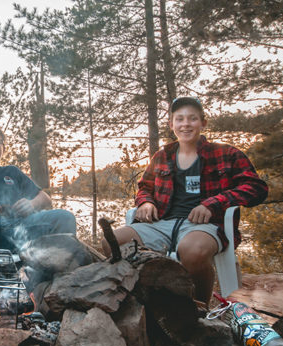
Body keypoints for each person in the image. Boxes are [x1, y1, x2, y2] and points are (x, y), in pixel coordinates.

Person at [103, 97, 268, 303]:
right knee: (113, 242)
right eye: (179, 119)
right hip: (161, 223)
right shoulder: (163, 155)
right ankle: (144, 301)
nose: (186, 124)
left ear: (203, 123)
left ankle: (199, 309)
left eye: (192, 118)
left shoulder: (227, 153)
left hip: (205, 226)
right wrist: (146, 202)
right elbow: (145, 187)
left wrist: (213, 203)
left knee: (192, 251)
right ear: (171, 124)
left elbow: (256, 188)